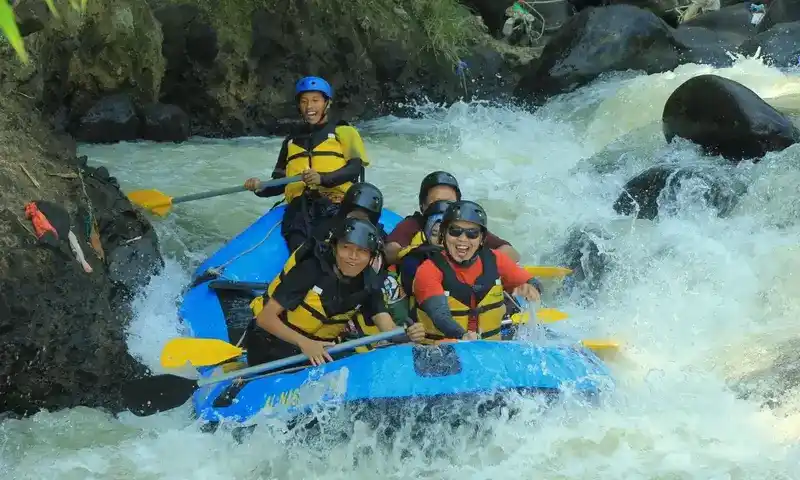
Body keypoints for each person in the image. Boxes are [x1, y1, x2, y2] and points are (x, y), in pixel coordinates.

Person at [245, 217, 426, 366]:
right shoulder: (311, 269)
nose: (353, 257)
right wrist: (305, 344)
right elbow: (264, 318)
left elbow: (388, 328)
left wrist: (408, 333)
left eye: (362, 251)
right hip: (272, 346)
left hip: (316, 352)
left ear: (372, 257)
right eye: (346, 248)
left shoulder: (370, 284)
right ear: (334, 247)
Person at [244, 76, 370, 252]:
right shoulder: (291, 141)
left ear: (327, 102)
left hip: (335, 204)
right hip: (299, 210)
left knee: (332, 246)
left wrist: (322, 179)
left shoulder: (344, 132)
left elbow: (354, 169)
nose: (309, 107)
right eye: (304, 102)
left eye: (315, 100)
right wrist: (259, 188)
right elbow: (280, 183)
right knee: (299, 251)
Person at [412, 201, 542, 343]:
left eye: (472, 233)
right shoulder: (428, 270)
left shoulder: (495, 260)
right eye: (455, 231)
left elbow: (533, 283)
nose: (462, 239)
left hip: (490, 349)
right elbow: (439, 315)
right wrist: (462, 335)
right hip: (441, 351)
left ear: (482, 239)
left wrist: (532, 288)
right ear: (443, 234)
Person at [385, 171, 521, 264]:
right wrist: (416, 253)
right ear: (423, 206)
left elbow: (512, 253)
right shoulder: (414, 224)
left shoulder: (466, 226)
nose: (443, 208)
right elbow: (389, 251)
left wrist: (473, 255)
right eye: (436, 202)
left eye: (449, 203)